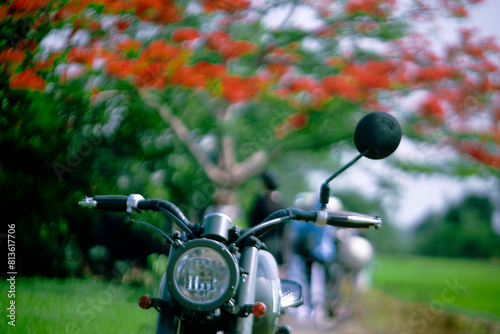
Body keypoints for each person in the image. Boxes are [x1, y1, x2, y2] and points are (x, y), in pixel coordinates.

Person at [248, 171, 286, 264]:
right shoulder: (280, 202)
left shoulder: (261, 201)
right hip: (277, 246)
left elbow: (251, 221)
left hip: (261, 244)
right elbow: (283, 227)